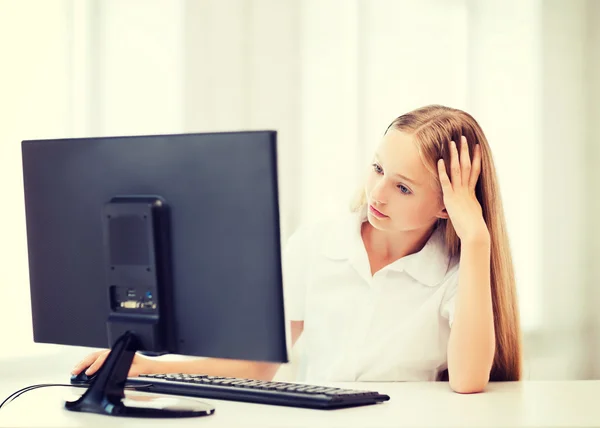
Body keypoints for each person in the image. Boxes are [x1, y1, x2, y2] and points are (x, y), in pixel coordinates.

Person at [72, 104, 522, 394]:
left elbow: (468, 381)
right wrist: (146, 369)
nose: (377, 194)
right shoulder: (318, 244)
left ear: (447, 207)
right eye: (377, 168)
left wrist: (477, 239)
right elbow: (257, 366)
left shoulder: (454, 272)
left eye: (403, 187)